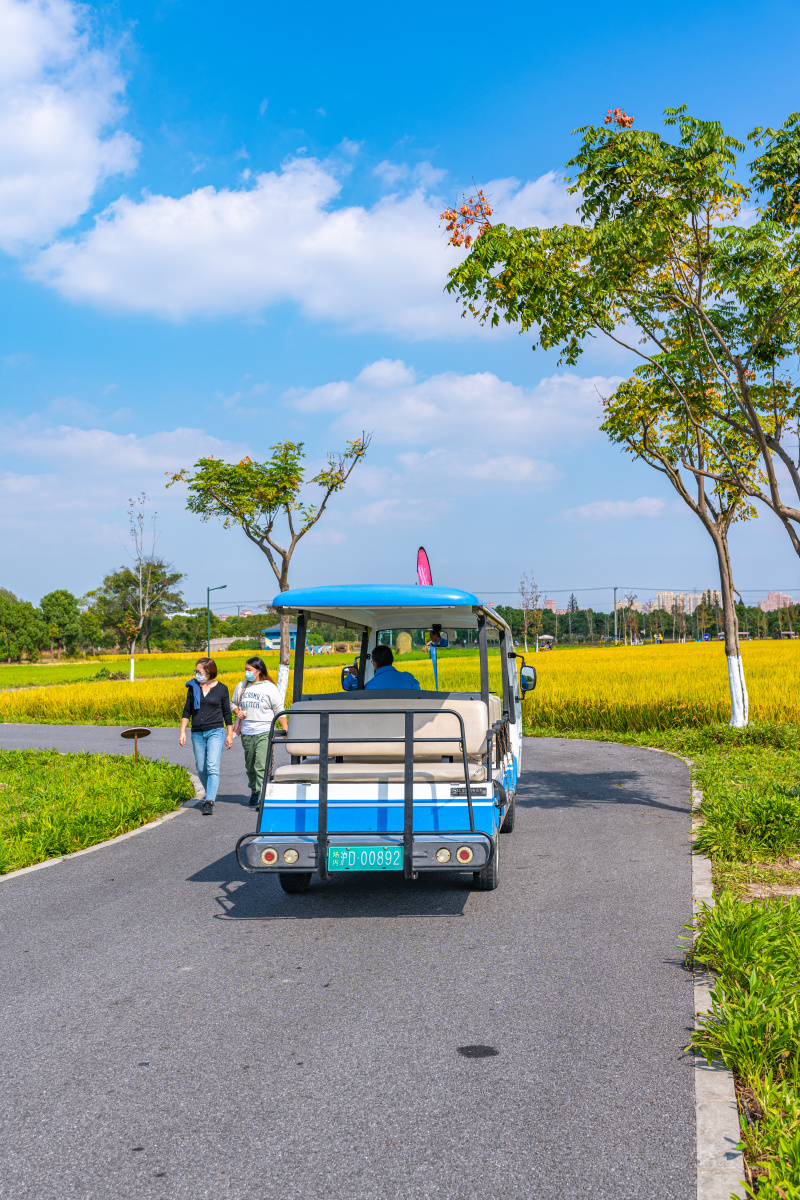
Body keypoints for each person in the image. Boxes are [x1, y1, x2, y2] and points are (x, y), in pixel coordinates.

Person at [179, 658, 233, 815]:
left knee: (212, 766)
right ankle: (211, 792)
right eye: (196, 671)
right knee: (201, 769)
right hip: (197, 732)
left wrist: (229, 734)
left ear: (209, 672)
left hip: (215, 731)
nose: (197, 674)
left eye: (200, 672)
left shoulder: (222, 689)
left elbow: (226, 712)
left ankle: (209, 801)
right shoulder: (193, 687)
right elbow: (187, 710)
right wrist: (182, 731)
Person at [231, 657, 288, 806]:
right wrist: (237, 711)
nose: (246, 672)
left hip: (264, 730)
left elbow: (279, 709)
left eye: (249, 670)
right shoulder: (241, 686)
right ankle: (254, 790)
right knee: (250, 765)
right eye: (245, 669)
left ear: (258, 671)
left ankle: (262, 793)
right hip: (247, 731)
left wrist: (285, 728)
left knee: (261, 764)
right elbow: (232, 703)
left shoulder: (269, 687)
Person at [343, 644, 421, 691]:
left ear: (375, 664)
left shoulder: (369, 686)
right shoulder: (409, 679)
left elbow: (347, 686)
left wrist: (354, 677)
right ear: (393, 659)